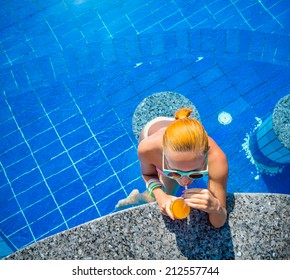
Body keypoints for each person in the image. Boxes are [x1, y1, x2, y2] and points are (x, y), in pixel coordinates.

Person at [116, 108, 228, 228]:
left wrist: (216, 208)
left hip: (183, 135)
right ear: (164, 157)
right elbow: (148, 174)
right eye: (174, 173)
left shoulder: (216, 160)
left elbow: (218, 223)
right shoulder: (148, 148)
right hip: (153, 130)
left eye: (195, 174)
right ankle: (136, 197)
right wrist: (160, 195)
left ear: (205, 158)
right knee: (154, 199)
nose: (184, 182)